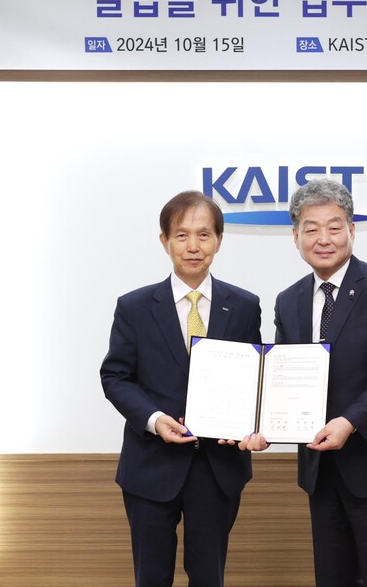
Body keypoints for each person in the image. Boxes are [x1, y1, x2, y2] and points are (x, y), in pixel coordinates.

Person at [245, 178, 367, 587]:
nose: (323, 239)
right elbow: (284, 375)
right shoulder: (289, 300)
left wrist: (349, 422)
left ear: (352, 230)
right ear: (295, 236)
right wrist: (263, 425)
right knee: (332, 577)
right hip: (320, 470)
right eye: (311, 229)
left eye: (334, 226)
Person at [100, 190, 262, 587]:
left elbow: (254, 377)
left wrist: (251, 423)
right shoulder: (134, 306)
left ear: (219, 240)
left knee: (209, 577)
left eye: (204, 235)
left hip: (218, 467)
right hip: (150, 465)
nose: (193, 246)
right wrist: (155, 420)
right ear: (164, 241)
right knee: (151, 578)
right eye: (182, 235)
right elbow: (115, 376)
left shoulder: (244, 306)